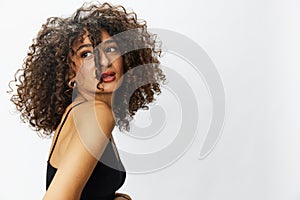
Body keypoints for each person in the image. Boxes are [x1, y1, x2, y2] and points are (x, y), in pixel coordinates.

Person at [9, 2, 166, 200]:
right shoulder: (97, 113)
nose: (103, 62)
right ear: (70, 73)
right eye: (87, 54)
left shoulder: (80, 111)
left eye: (110, 49)